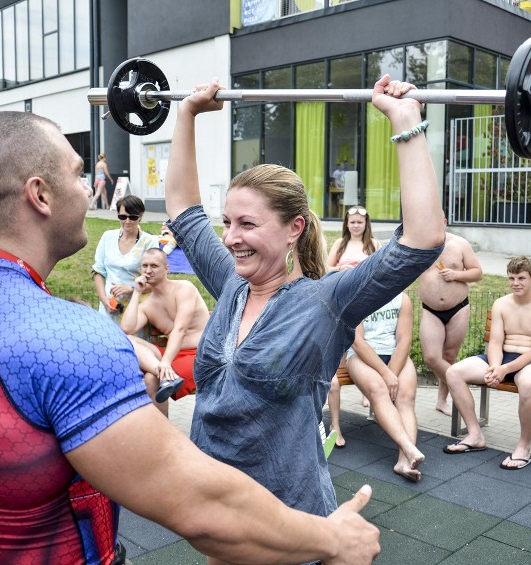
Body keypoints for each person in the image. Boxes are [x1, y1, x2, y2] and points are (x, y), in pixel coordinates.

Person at [0, 111, 380, 564]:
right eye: (76, 174)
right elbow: (201, 507)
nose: (90, 189)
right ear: (40, 195)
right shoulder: (70, 340)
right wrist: (333, 540)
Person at [163, 75, 444, 527]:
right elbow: (183, 211)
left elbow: (422, 241)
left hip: (287, 514)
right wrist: (187, 114)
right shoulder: (232, 285)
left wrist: (406, 121)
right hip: (212, 500)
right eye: (228, 222)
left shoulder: (325, 303)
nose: (231, 237)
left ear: (294, 228)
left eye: (247, 224)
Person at [443, 256, 531, 471]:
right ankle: (475, 434)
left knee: (526, 384)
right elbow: (495, 342)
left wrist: (505, 369)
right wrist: (494, 367)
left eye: (522, 278)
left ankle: (524, 447)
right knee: (453, 372)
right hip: (501, 358)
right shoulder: (501, 304)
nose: (516, 283)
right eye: (512, 278)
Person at [120, 248, 210, 416]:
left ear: (166, 269)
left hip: (198, 355)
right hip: (169, 358)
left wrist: (166, 362)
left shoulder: (184, 288)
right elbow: (127, 328)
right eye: (144, 266)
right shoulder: (148, 305)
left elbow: (180, 329)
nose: (148, 270)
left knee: (150, 379)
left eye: (154, 266)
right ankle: (164, 375)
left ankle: (163, 375)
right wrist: (137, 292)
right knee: (126, 338)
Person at [346, 292, 424, 481]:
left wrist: (393, 374)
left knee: (406, 398)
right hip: (363, 356)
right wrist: (386, 374)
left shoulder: (402, 299)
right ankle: (408, 448)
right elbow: (357, 342)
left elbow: (404, 340)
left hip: (395, 355)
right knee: (378, 390)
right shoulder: (358, 296)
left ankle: (404, 463)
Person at [326, 205, 382, 445]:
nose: (356, 226)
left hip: (368, 299)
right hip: (345, 298)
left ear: (366, 223)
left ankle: (363, 388)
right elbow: (326, 268)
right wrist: (342, 268)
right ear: (347, 224)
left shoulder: (374, 245)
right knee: (347, 338)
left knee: (365, 340)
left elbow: (382, 269)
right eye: (352, 222)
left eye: (360, 222)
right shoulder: (340, 244)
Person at [417, 222, 483, 416]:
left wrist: (456, 274)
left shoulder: (460, 244)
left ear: (444, 222)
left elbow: (477, 273)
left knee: (449, 357)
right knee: (431, 358)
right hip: (430, 309)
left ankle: (442, 400)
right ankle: (460, 386)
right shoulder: (420, 246)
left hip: (458, 308)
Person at [92, 194, 159, 321]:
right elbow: (98, 271)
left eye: (132, 217)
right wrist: (104, 299)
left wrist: (130, 288)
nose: (127, 221)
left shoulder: (149, 242)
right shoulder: (107, 237)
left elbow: (156, 280)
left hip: (136, 309)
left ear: (141, 216)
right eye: (122, 217)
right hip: (108, 307)